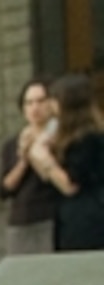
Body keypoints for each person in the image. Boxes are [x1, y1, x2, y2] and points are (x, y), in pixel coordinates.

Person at [33, 74, 104, 255]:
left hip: (88, 217)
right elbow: (46, 176)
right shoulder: (66, 136)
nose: (51, 106)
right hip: (68, 215)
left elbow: (70, 185)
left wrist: (47, 160)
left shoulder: (89, 138)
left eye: (55, 100)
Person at [2, 80, 59, 257]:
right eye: (29, 102)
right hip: (20, 221)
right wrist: (23, 160)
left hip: (49, 218)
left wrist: (38, 151)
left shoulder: (58, 138)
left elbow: (50, 177)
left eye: (41, 101)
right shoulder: (12, 144)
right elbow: (3, 189)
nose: (35, 107)